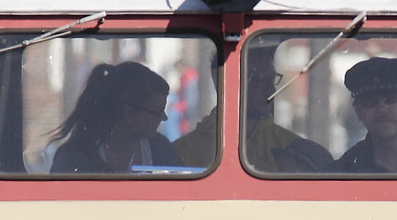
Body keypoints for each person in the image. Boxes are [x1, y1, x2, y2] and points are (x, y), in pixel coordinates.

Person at [174, 43, 332, 172]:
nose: (271, 91)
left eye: (272, 80)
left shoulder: (291, 149)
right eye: (259, 81)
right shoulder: (182, 153)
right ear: (227, 84)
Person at [48, 60, 180, 173]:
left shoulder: (161, 149)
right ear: (128, 112)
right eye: (157, 112)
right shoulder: (73, 157)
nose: (164, 117)